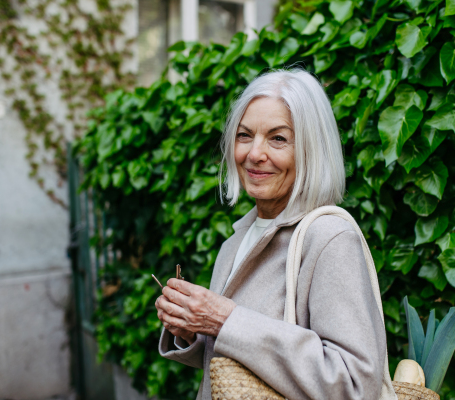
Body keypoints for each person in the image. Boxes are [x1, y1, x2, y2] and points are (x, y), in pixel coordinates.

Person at [155, 69, 387, 400]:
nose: (254, 154)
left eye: (278, 138)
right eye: (245, 135)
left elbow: (353, 383)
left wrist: (225, 319)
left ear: (310, 149)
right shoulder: (235, 242)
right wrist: (193, 330)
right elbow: (241, 360)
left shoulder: (329, 238)